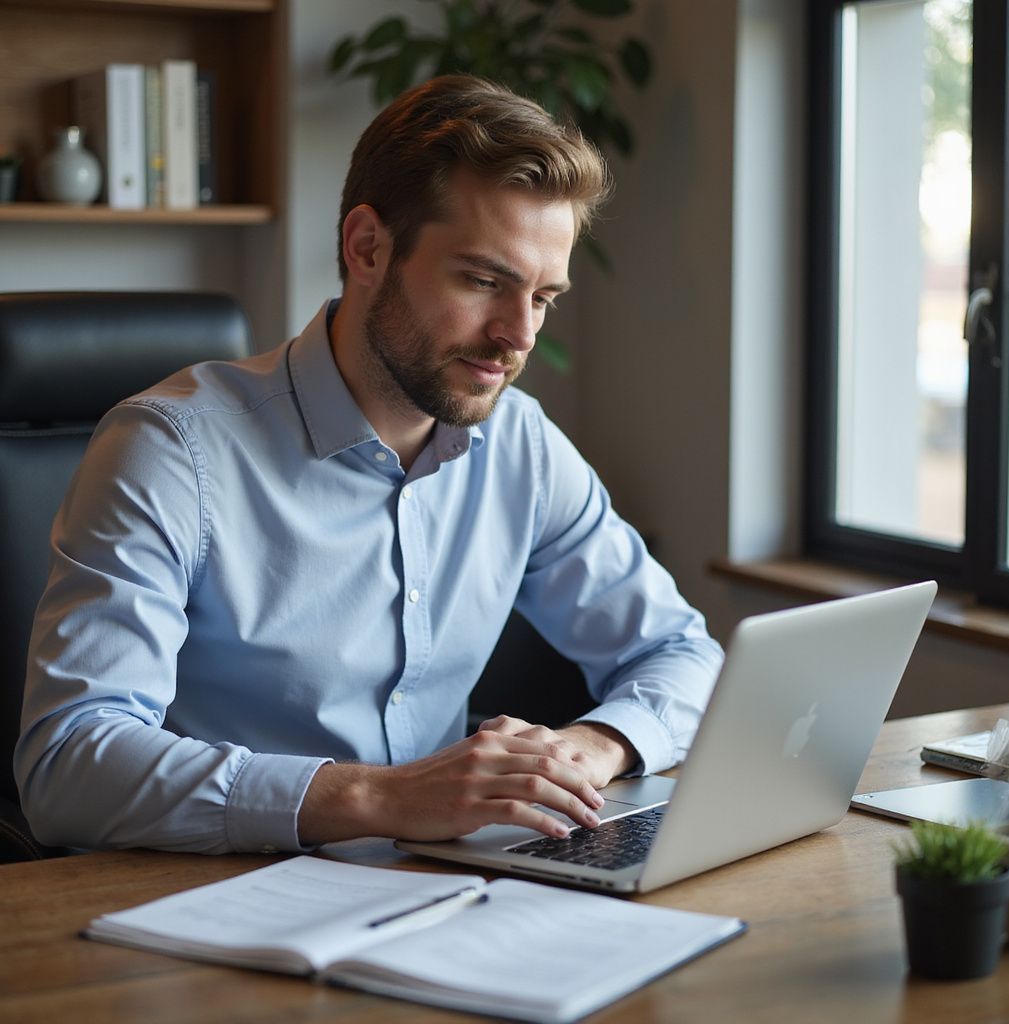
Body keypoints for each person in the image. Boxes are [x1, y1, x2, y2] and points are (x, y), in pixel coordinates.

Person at [15, 76, 723, 855]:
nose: (517, 335)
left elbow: (680, 653)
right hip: (214, 901)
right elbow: (68, 763)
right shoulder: (170, 451)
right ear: (367, 248)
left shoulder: (521, 444)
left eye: (544, 297)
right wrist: (380, 798)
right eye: (484, 281)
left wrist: (590, 747)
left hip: (442, 890)